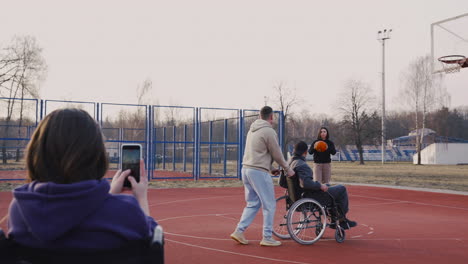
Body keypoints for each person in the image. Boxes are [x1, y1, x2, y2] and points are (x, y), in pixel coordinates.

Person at [7, 108, 157, 249]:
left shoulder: (19, 211)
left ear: (37, 153)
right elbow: (151, 244)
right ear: (96, 155)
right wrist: (141, 198)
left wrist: (110, 195)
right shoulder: (126, 210)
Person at [230, 106, 295, 247]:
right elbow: (276, 153)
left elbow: (257, 152)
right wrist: (287, 169)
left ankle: (239, 231)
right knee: (269, 204)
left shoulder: (251, 130)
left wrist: (271, 168)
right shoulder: (269, 131)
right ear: (271, 116)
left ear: (260, 116)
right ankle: (267, 237)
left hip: (246, 169)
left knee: (253, 203)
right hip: (258, 172)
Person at [292, 141, 356, 229]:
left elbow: (281, 182)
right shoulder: (302, 165)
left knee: (328, 185)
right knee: (342, 189)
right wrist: (320, 186)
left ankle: (335, 217)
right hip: (309, 197)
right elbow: (306, 183)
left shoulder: (289, 164)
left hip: (295, 197)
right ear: (305, 152)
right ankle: (341, 219)